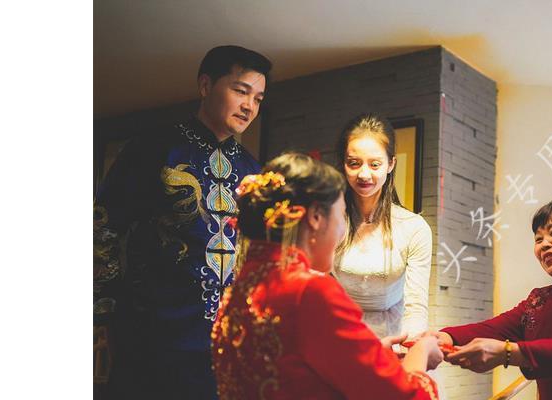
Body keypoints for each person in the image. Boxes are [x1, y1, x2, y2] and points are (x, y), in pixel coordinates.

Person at [93, 45, 271, 399]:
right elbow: (103, 228)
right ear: (205, 86)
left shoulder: (253, 170)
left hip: (227, 343)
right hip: (152, 336)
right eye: (240, 91)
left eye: (258, 98)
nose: (249, 106)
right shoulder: (154, 149)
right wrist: (105, 315)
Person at [211, 153, 442, 400]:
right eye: (341, 215)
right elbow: (404, 395)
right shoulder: (310, 292)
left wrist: (369, 356)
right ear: (315, 218)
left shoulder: (241, 288)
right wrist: (421, 352)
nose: (342, 231)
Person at [419, 196, 552, 400]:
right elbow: (494, 329)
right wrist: (445, 337)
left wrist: (509, 353)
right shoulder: (540, 299)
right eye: (538, 239)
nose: (544, 244)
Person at [332, 113, 433, 339]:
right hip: (339, 335)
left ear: (391, 164)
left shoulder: (414, 228)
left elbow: (416, 308)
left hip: (392, 338)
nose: (364, 174)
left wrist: (411, 349)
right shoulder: (330, 221)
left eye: (375, 164)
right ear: (343, 164)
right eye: (354, 163)